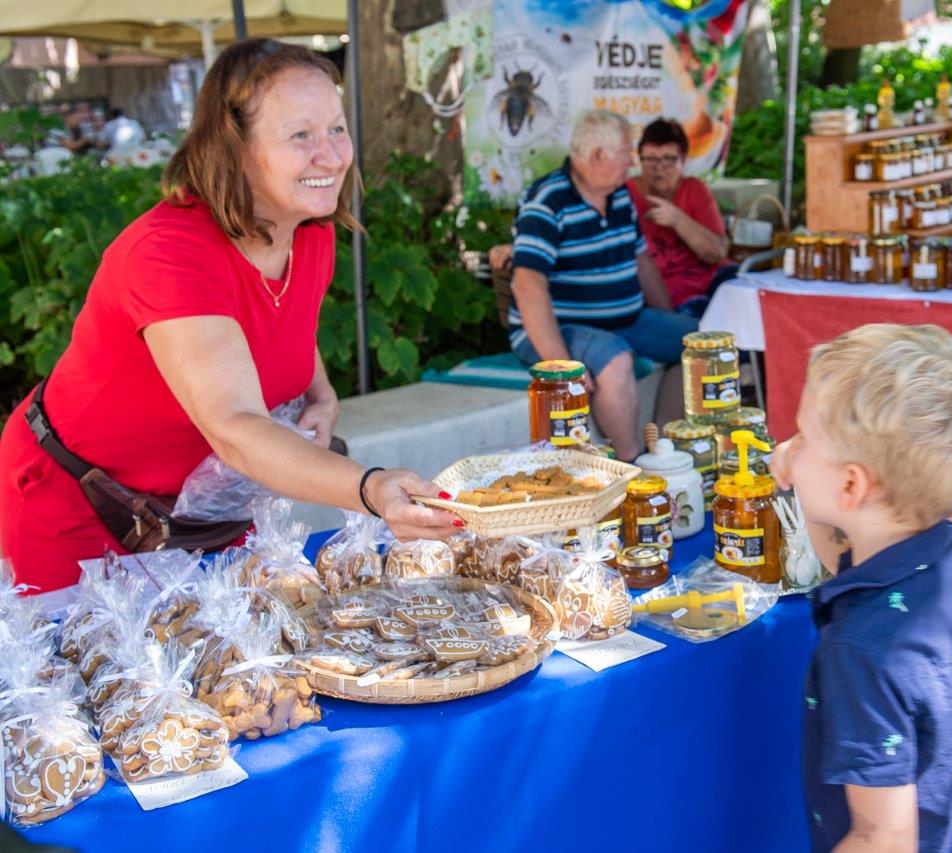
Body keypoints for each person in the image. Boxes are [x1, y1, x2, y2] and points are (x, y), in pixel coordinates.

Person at [0, 39, 460, 592]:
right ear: (234, 146)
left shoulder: (308, 234)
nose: (333, 155)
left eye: (337, 129)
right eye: (300, 135)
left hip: (202, 513)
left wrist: (321, 390)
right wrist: (370, 488)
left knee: (232, 666)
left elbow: (279, 321)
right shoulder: (167, 253)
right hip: (81, 505)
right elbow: (236, 426)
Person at [770, 324, 952, 852]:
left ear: (852, 485)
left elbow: (883, 836)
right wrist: (805, 486)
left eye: (804, 435)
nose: (791, 445)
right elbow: (847, 560)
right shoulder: (948, 549)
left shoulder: (859, 653)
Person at [507, 109, 697, 461]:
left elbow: (642, 261)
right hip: (562, 328)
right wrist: (561, 368)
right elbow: (527, 286)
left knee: (698, 343)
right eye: (627, 154)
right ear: (597, 155)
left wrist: (667, 318)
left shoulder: (620, 195)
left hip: (627, 319)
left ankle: (665, 449)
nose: (631, 165)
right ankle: (631, 469)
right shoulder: (548, 201)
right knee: (614, 361)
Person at [625, 118, 734, 318]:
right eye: (650, 159)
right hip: (670, 297)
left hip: (711, 281)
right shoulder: (625, 194)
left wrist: (677, 219)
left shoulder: (694, 189)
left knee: (749, 291)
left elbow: (716, 253)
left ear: (683, 160)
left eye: (668, 159)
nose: (658, 167)